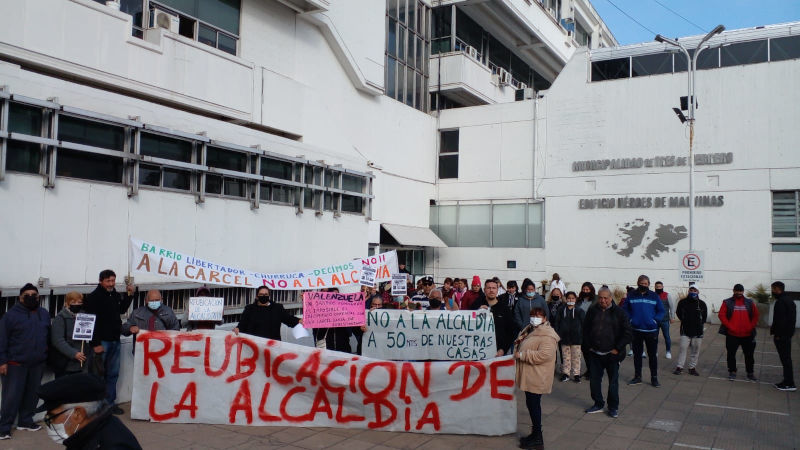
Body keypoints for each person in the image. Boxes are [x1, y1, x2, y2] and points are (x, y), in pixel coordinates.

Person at [36, 373, 141, 449]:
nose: (49, 424)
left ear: (78, 414)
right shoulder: (88, 433)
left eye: (51, 417)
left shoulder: (111, 444)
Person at [0, 283, 50, 440]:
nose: (31, 298)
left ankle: (25, 421)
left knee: (32, 395)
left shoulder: (44, 313)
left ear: (38, 297)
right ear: (20, 298)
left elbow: (48, 336)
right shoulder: (10, 316)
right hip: (15, 364)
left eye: (34, 295)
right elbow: (2, 340)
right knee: (11, 397)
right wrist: (2, 361)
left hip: (37, 363)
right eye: (26, 295)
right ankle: (4, 427)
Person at [82, 269, 135, 415]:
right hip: (101, 342)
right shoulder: (93, 297)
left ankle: (109, 403)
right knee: (97, 375)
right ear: (101, 281)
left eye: (113, 280)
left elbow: (122, 309)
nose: (111, 284)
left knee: (113, 374)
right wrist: (95, 343)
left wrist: (129, 294)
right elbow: (90, 322)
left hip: (115, 340)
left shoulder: (115, 294)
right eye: (108, 281)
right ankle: (97, 406)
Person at [514, 306, 559, 449]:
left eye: (538, 316)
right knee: (531, 404)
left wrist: (522, 355)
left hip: (537, 375)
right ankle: (535, 433)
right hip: (530, 374)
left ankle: (538, 437)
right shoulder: (531, 329)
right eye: (533, 315)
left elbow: (544, 355)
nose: (535, 318)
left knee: (534, 405)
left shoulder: (547, 335)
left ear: (545, 318)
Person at [582, 287, 632, 418]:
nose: (603, 300)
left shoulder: (620, 313)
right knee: (594, 381)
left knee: (613, 383)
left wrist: (617, 348)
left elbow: (627, 333)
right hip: (595, 353)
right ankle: (598, 403)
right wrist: (588, 346)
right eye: (600, 297)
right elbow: (585, 329)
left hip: (612, 354)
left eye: (605, 298)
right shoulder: (592, 311)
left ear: (611, 298)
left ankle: (613, 407)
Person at [622, 275, 665, 387]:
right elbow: (625, 309)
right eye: (642, 283)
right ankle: (637, 377)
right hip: (636, 330)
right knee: (637, 355)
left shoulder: (654, 296)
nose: (643, 285)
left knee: (652, 356)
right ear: (638, 283)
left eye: (646, 284)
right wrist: (631, 319)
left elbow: (661, 311)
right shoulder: (631, 295)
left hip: (651, 330)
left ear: (649, 284)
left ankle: (654, 378)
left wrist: (655, 321)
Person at [718, 284, 759, 381]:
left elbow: (756, 315)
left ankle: (750, 373)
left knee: (749, 355)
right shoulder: (727, 302)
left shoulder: (749, 302)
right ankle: (732, 371)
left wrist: (750, 327)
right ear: (733, 291)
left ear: (743, 291)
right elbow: (721, 315)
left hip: (747, 335)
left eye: (740, 291)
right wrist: (730, 327)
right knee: (731, 354)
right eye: (737, 291)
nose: (739, 293)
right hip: (732, 334)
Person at [233, 286, 301, 340]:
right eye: (261, 294)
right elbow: (243, 323)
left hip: (271, 345)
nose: (263, 296)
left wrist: (299, 321)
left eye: (266, 294)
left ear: (269, 296)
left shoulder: (277, 308)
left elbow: (288, 319)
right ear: (257, 297)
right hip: (253, 345)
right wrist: (238, 328)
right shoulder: (249, 308)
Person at [51, 292, 93, 378]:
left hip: (82, 363)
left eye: (79, 302)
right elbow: (58, 341)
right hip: (66, 363)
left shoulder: (84, 316)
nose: (77, 304)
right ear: (67, 303)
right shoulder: (60, 318)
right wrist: (74, 353)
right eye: (73, 302)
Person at [673, 284, 707, 376]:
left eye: (695, 290)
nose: (693, 292)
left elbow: (704, 317)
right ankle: (679, 367)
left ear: (698, 292)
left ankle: (692, 368)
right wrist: (684, 321)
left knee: (695, 351)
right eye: (691, 290)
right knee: (682, 349)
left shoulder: (702, 304)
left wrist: (699, 325)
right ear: (688, 291)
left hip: (698, 332)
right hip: (685, 330)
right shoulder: (682, 302)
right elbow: (678, 313)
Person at [474, 279, 514, 356]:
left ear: (497, 290)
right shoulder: (476, 304)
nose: (491, 290)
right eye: (489, 288)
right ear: (484, 290)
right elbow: (468, 324)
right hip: (480, 351)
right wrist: (476, 312)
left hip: (499, 352)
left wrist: (503, 349)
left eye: (494, 288)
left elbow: (511, 331)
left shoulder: (504, 308)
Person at [553, 291, 585, 382]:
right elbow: (557, 322)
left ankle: (576, 374)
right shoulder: (561, 310)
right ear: (566, 299)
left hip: (576, 338)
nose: (570, 300)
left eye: (573, 298)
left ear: (576, 299)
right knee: (565, 357)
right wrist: (558, 334)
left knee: (576, 357)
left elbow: (584, 325)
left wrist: (582, 336)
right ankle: (566, 373)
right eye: (569, 298)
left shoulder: (579, 311)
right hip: (564, 338)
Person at [771, 281, 797, 391]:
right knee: (786, 359)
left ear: (777, 289)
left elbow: (780, 321)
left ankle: (789, 383)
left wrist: (778, 335)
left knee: (785, 359)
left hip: (782, 336)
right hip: (788, 334)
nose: (772, 291)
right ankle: (787, 381)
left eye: (773, 289)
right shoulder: (789, 300)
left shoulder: (781, 302)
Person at [654, 281, 676, 359]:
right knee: (654, 337)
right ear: (655, 287)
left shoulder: (667, 295)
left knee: (666, 336)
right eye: (657, 287)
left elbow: (672, 307)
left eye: (660, 287)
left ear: (663, 287)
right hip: (655, 320)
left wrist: (672, 317)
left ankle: (668, 351)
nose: (658, 288)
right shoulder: (653, 295)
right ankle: (655, 352)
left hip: (665, 320)